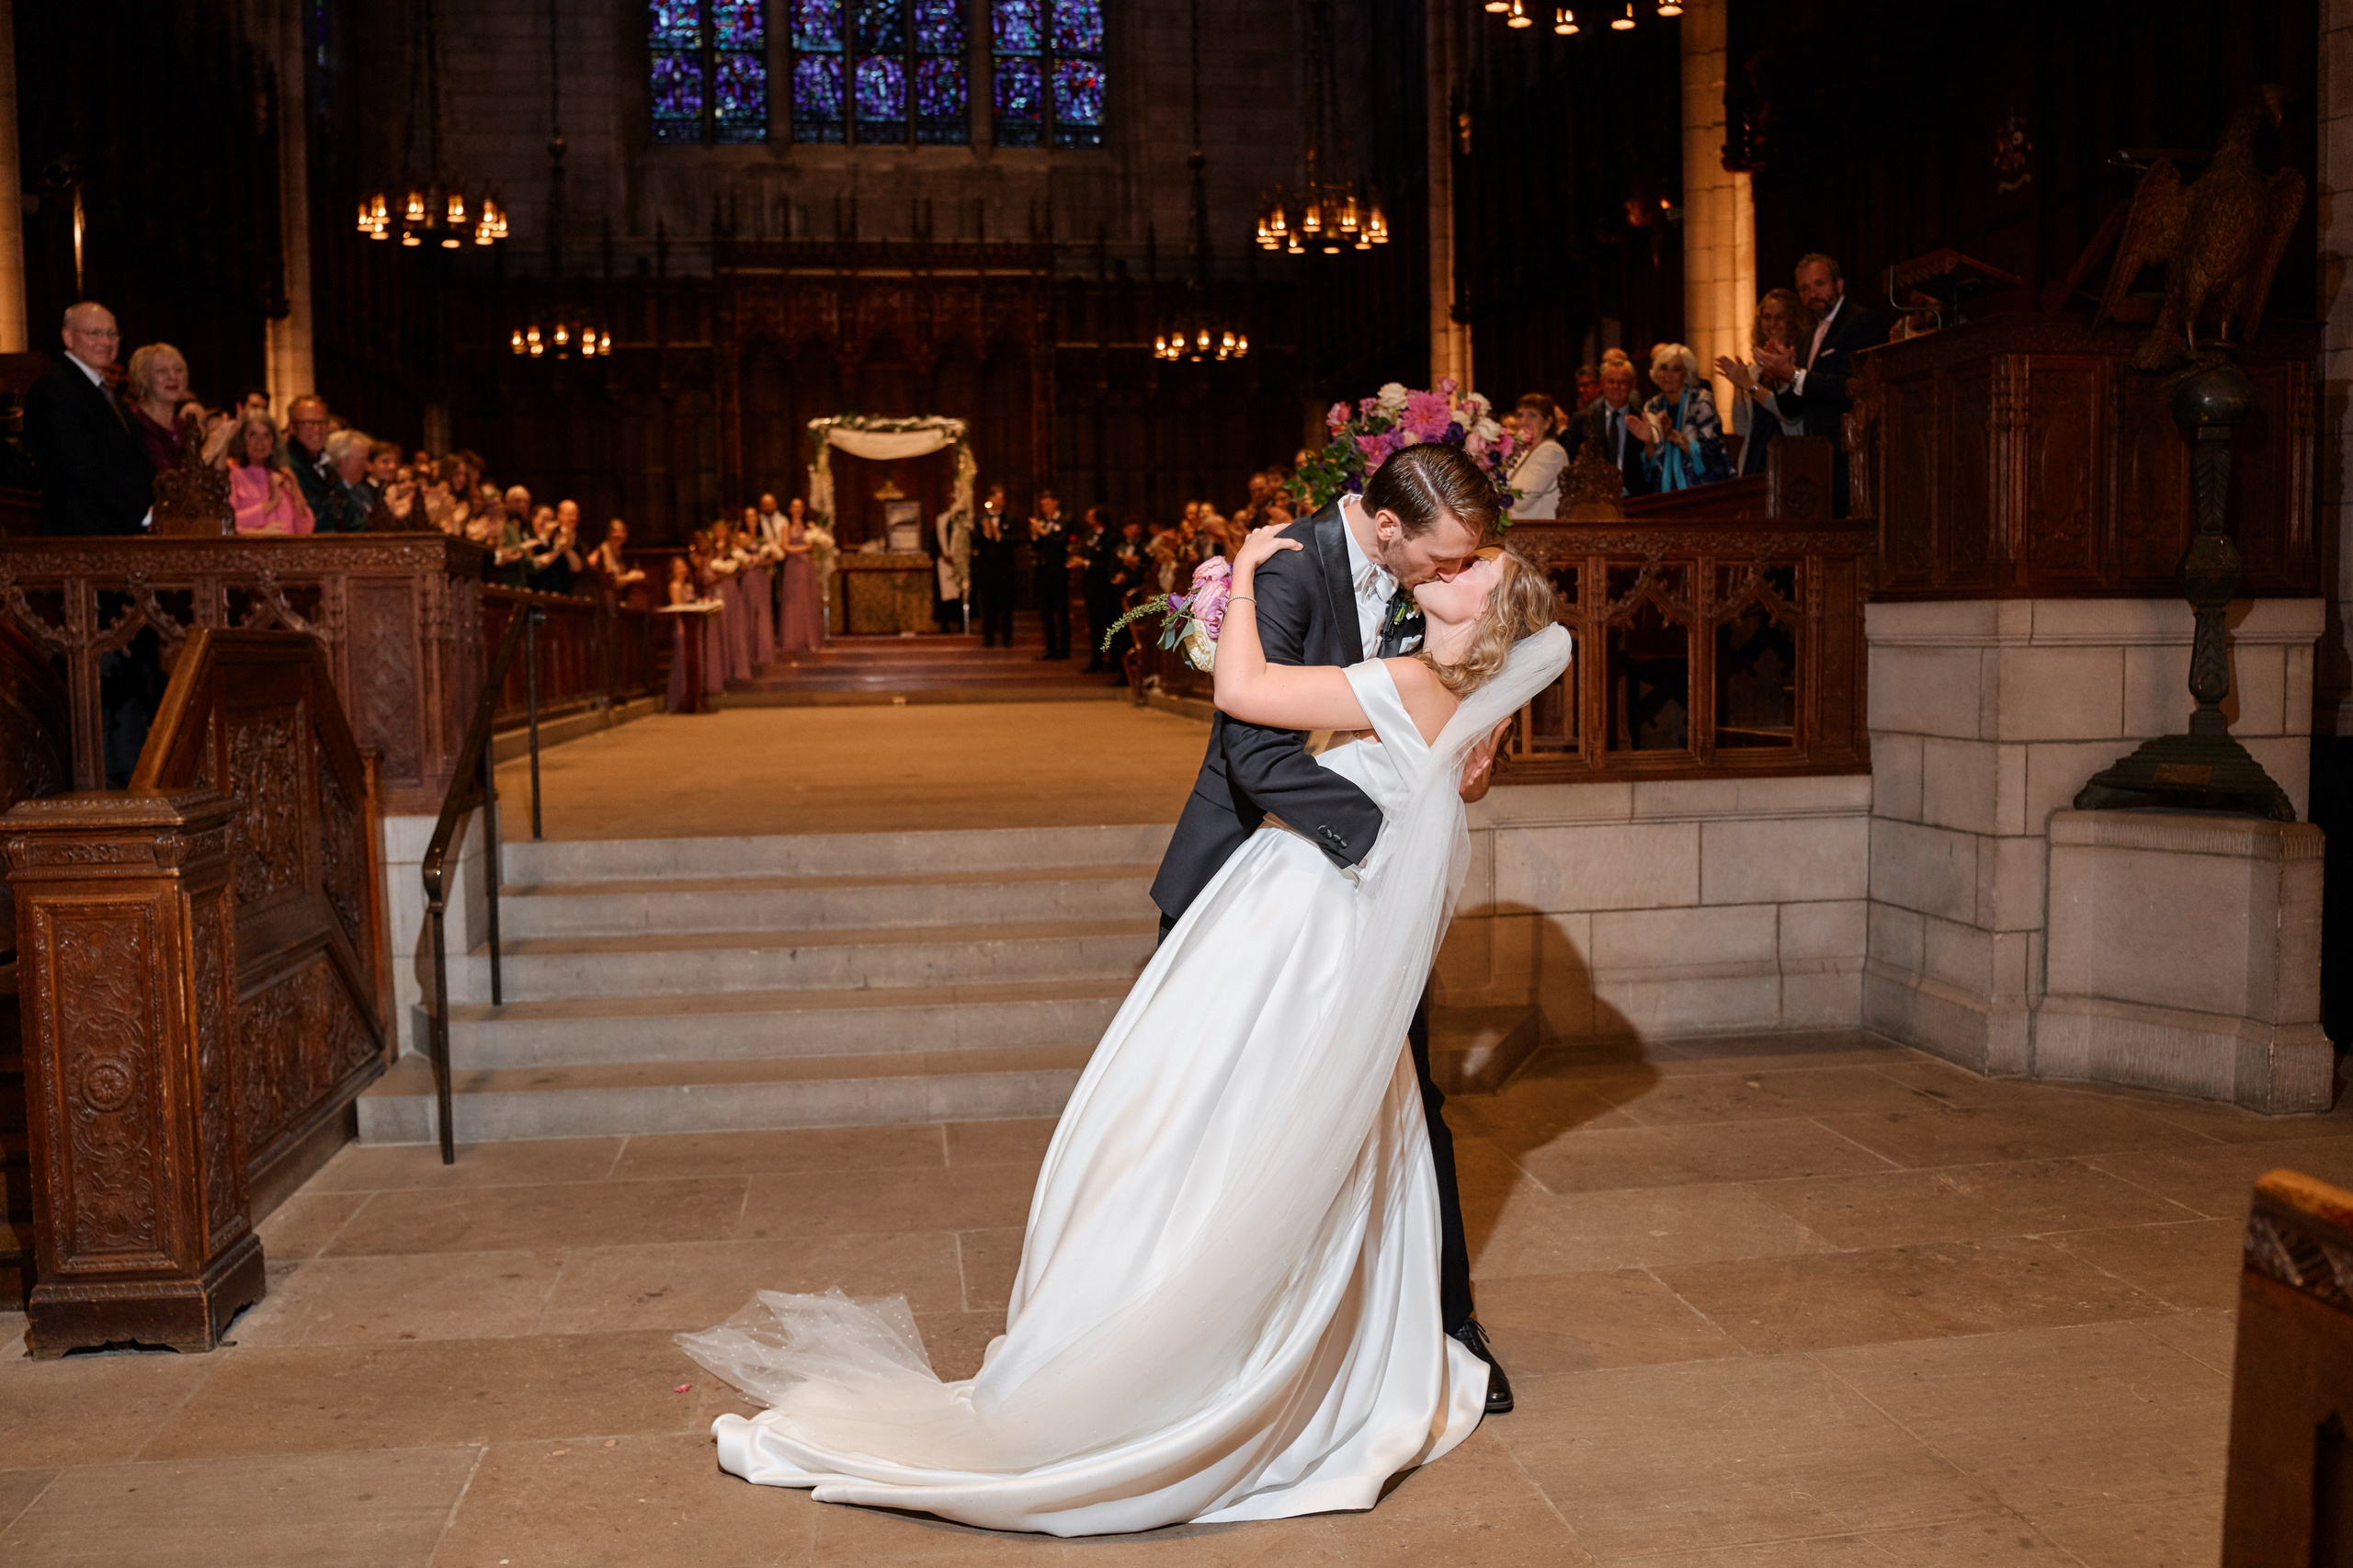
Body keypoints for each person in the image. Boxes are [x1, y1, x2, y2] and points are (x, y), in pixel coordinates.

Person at [679, 446, 1569, 1534]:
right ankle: (1165, 1335)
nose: (1455, 568)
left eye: (1468, 565)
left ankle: (1417, 1332)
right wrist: (1367, 826)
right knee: (1189, 1122)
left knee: (1390, 1120)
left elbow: (1423, 735)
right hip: (1263, 887)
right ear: (1387, 528)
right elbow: (1251, 748)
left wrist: (1386, 830)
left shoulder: (1432, 622)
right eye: (1444, 556)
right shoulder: (1297, 567)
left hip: (1345, 907)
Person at [1752, 253, 1887, 512]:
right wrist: (1780, 374)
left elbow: (1852, 387)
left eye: (1819, 284)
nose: (1813, 294)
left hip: (1854, 459)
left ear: (1839, 284)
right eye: (1805, 288)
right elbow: (1791, 410)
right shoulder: (1806, 339)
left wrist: (1792, 373)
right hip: (1817, 466)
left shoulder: (1860, 322)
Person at [25, 301, 154, 536]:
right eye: (94, 333)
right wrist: (142, 516)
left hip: (120, 532)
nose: (106, 342)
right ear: (68, 337)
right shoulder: (54, 389)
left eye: (112, 334)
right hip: (83, 539)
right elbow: (82, 469)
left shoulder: (104, 390)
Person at [1716, 287, 1813, 479]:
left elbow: (1788, 415)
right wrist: (1738, 385)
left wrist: (1750, 386)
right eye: (1767, 317)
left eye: (1779, 317)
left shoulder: (1798, 363)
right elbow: (1742, 428)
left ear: (1791, 321)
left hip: (1789, 458)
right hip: (1755, 461)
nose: (1772, 324)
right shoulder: (1754, 371)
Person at [1633, 343, 1730, 493]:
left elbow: (1711, 453)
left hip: (1702, 489)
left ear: (1686, 375)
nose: (1668, 375)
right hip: (1664, 493)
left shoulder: (1701, 401)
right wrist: (1648, 443)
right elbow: (1652, 467)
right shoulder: (1653, 406)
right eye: (1663, 368)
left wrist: (1673, 435)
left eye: (1676, 369)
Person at [210, 410, 314, 535]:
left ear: (274, 442)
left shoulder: (282, 475)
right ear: (242, 441)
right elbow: (225, 524)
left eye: (266, 435)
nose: (260, 441)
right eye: (253, 434)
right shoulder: (232, 474)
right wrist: (270, 503)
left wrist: (296, 492)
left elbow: (306, 529)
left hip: (288, 551)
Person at [1575, 355, 1654, 500]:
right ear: (1602, 383)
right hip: (1595, 502)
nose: (1616, 387)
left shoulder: (1643, 421)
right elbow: (1573, 463)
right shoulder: (1583, 420)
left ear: (1633, 384)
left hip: (1636, 501)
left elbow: (1654, 468)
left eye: (1622, 382)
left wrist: (1649, 442)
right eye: (1611, 381)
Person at [283, 394, 349, 531]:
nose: (317, 430)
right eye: (308, 423)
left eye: (322, 422)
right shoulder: (285, 467)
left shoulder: (328, 469)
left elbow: (352, 516)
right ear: (291, 428)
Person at [123, 341, 191, 473]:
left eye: (178, 370)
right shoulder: (136, 424)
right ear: (144, 378)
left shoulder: (183, 426)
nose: (173, 377)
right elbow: (168, 484)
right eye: (161, 371)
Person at [1506, 393, 1569, 519]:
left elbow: (1520, 500)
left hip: (1540, 532)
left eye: (1532, 415)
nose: (1523, 421)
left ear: (1548, 422)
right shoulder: (1522, 453)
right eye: (1520, 415)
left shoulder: (1552, 451)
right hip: (1516, 531)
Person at [776, 495, 825, 653]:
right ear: (790, 509)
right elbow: (785, 547)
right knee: (793, 600)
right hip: (793, 567)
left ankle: (810, 639)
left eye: (800, 507)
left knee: (807, 600)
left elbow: (818, 543)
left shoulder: (810, 526)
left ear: (803, 509)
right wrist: (805, 548)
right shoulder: (786, 527)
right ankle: (793, 640)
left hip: (807, 567)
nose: (797, 509)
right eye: (794, 506)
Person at [971, 483, 1017, 648]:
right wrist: (986, 533)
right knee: (987, 604)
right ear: (989, 499)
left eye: (1002, 499)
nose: (999, 502)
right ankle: (988, 638)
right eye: (996, 498)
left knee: (1006, 605)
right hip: (986, 568)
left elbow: (1015, 540)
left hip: (1005, 569)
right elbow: (974, 541)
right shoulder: (980, 519)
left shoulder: (1009, 519)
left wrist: (999, 536)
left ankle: (1007, 638)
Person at [1028, 487, 1071, 660]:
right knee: (1046, 613)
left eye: (1048, 504)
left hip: (1059, 572)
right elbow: (1036, 548)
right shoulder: (1042, 522)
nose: (1045, 508)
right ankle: (1050, 648)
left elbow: (1059, 543)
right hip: (1043, 572)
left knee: (1061, 612)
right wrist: (1035, 536)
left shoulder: (1065, 520)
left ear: (1055, 503)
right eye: (1042, 505)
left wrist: (1043, 533)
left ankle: (1064, 649)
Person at [323, 429, 387, 529]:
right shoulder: (328, 494)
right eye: (362, 459)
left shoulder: (363, 492)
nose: (368, 466)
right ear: (342, 461)